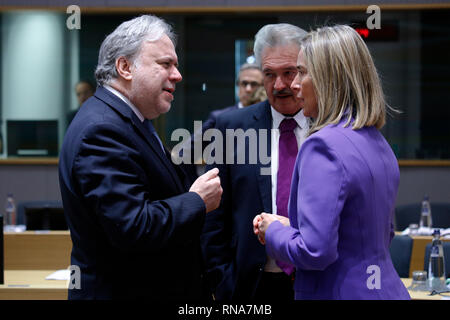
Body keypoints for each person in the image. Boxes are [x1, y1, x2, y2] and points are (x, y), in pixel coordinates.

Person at [59, 15, 222, 300]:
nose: (178, 75)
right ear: (125, 67)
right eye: (165, 64)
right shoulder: (102, 129)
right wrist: (197, 201)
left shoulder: (132, 121)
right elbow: (133, 227)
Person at [254, 25, 410, 300]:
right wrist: (292, 229)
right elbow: (375, 234)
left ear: (329, 78)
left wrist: (274, 230)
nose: (293, 85)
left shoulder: (322, 145)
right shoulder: (377, 141)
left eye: (301, 72)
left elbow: (314, 251)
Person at [201, 23, 308, 300]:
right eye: (270, 74)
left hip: (316, 281)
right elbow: (214, 215)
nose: (280, 85)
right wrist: (221, 281)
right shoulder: (229, 127)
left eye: (289, 72)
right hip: (249, 287)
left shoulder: (329, 126)